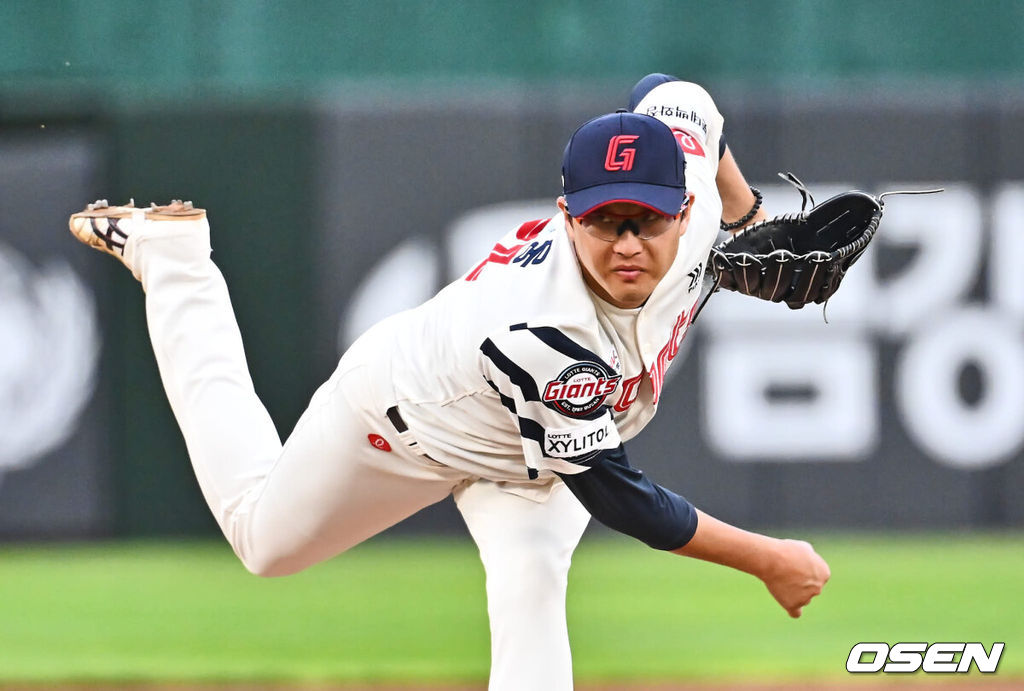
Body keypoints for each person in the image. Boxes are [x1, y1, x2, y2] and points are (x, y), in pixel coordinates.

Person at [69, 75, 829, 691]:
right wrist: (771, 557)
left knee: (532, 593)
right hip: (408, 421)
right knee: (262, 541)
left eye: (649, 220)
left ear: (688, 205)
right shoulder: (544, 331)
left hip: (535, 461)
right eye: (606, 221)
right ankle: (175, 263)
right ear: (567, 215)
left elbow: (672, 89)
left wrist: (749, 213)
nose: (628, 243)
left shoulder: (698, 198)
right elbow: (623, 497)